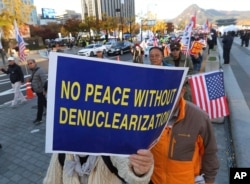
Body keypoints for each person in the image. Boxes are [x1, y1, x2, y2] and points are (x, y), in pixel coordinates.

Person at [146, 69, 219, 184]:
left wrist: (209, 180)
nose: (166, 99)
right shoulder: (147, 115)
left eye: (171, 92)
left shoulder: (199, 118)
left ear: (182, 92)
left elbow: (210, 152)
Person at [43, 149, 154, 184]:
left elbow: (130, 172)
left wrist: (140, 171)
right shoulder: (61, 152)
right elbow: (51, 181)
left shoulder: (112, 149)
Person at [27, 59, 47, 124]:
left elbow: (44, 81)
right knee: (45, 102)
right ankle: (51, 112)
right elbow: (34, 78)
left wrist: (45, 90)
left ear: (35, 63)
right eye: (28, 64)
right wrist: (30, 79)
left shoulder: (40, 70)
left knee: (40, 105)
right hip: (37, 91)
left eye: (31, 63)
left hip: (41, 91)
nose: (30, 65)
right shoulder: (34, 71)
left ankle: (39, 119)